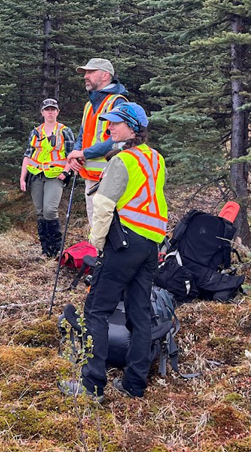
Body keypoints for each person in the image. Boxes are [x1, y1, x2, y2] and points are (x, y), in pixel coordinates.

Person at [59, 102, 168, 401]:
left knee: (96, 310)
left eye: (116, 124)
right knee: (139, 313)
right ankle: (135, 385)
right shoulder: (155, 158)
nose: (109, 128)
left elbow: (104, 206)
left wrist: (96, 247)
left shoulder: (123, 161)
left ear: (132, 128)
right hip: (150, 246)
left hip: (124, 245)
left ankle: (91, 386)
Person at [64, 58, 128, 228]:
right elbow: (82, 136)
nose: (86, 76)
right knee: (96, 226)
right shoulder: (89, 105)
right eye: (85, 72)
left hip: (109, 177)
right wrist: (77, 155)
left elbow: (116, 141)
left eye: (91, 72)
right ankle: (98, 254)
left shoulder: (117, 102)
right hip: (90, 178)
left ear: (105, 75)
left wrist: (83, 153)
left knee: (110, 227)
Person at [20, 98, 75, 258]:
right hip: (36, 175)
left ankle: (56, 249)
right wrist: (23, 178)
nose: (50, 112)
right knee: (40, 212)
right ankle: (46, 250)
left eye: (53, 109)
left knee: (50, 210)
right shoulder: (36, 132)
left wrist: (65, 172)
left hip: (55, 176)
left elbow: (71, 155)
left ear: (57, 112)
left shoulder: (65, 131)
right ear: (42, 112)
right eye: (47, 109)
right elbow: (28, 155)